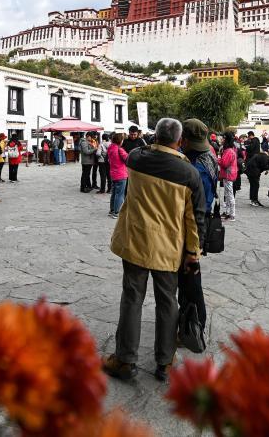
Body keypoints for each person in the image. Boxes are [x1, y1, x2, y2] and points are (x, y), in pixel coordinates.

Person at [103, 118, 204, 383]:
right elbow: (194, 219)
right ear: (180, 141)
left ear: (155, 135)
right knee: (167, 302)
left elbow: (141, 148)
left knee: (132, 299)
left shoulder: (136, 158)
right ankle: (165, 362)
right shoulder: (189, 173)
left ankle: (125, 360)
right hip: (168, 247)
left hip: (135, 240)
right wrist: (193, 252)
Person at [179, 119, 215, 333]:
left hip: (193, 226)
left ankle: (195, 324)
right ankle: (189, 317)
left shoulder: (196, 166)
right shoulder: (207, 156)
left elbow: (193, 207)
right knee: (189, 276)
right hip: (201, 221)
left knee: (190, 277)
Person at [218, 131, 238, 221]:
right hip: (228, 175)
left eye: (223, 138)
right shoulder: (230, 150)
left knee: (229, 194)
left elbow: (224, 163)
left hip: (228, 175)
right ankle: (227, 213)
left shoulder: (229, 151)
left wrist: (217, 159)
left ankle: (232, 214)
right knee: (228, 194)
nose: (221, 140)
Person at [108, 132, 129, 218]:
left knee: (114, 193)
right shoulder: (120, 149)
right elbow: (127, 158)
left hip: (113, 173)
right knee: (120, 194)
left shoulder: (110, 148)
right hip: (121, 174)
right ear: (120, 141)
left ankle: (112, 210)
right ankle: (116, 212)